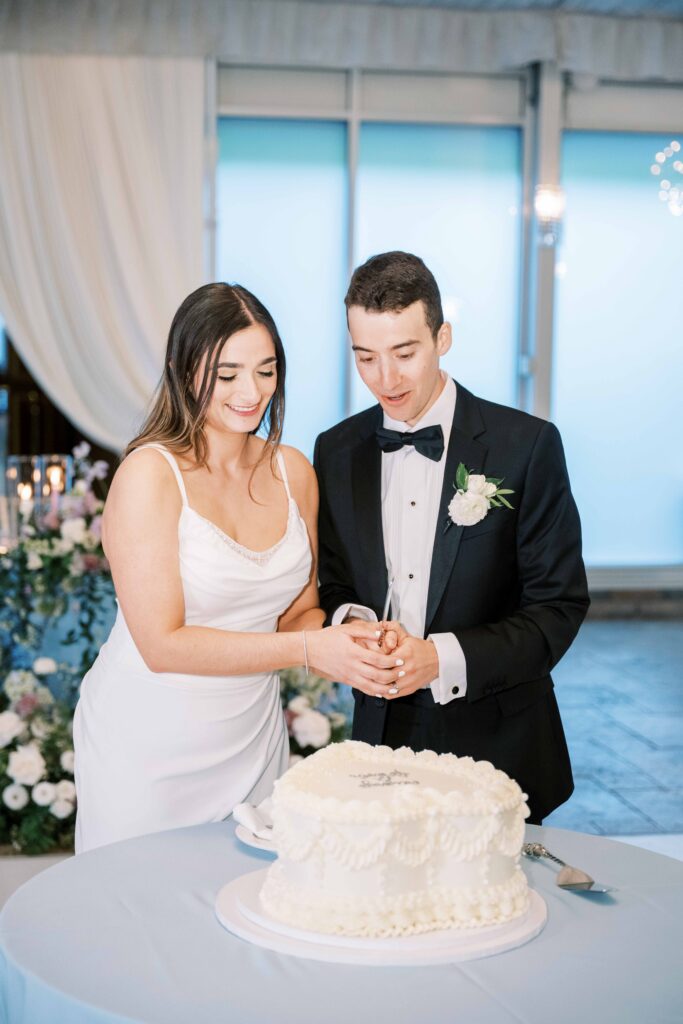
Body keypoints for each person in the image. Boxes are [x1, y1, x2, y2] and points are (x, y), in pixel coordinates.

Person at [73, 282, 400, 853]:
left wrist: (344, 637)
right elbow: (162, 643)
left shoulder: (292, 471)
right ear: (182, 369)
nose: (251, 393)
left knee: (247, 905)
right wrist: (306, 651)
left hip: (251, 737)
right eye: (226, 375)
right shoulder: (149, 475)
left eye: (266, 371)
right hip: (146, 741)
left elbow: (297, 613)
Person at [314, 252, 590, 823]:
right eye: (365, 357)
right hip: (379, 733)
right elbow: (335, 579)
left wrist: (439, 659)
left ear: (443, 337)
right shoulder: (335, 450)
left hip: (498, 738)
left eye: (404, 354)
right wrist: (354, 626)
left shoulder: (526, 446)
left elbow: (558, 607)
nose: (385, 380)